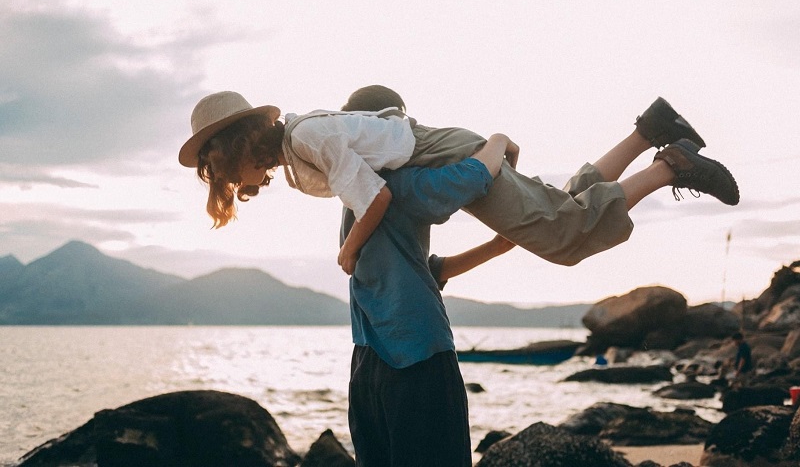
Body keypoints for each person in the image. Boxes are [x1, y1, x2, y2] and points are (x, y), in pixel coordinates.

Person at [178, 89, 740, 273]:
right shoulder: (299, 151)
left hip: (447, 155)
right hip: (448, 152)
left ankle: (671, 165)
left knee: (564, 237)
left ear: (239, 148)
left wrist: (347, 254)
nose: (245, 186)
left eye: (230, 174)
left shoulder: (306, 139)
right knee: (561, 208)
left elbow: (375, 198)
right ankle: (649, 132)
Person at [344, 139, 514, 466]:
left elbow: (422, 269)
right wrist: (499, 141)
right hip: (418, 355)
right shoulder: (401, 182)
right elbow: (474, 175)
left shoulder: (350, 192)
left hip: (367, 364)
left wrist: (493, 248)